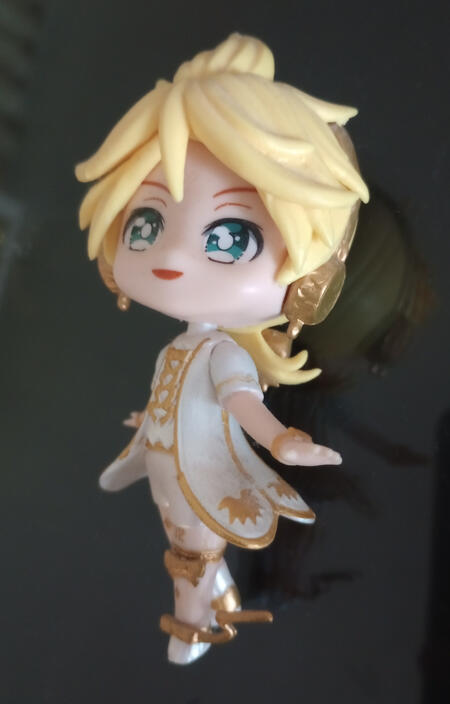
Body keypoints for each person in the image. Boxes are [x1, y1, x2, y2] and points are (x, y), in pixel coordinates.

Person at [75, 33, 368, 664]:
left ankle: (191, 628)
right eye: (147, 224)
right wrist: (149, 419)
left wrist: (281, 441)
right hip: (169, 468)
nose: (174, 256)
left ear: (309, 287)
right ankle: (221, 595)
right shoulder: (181, 349)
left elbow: (240, 404)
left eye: (230, 237)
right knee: (187, 545)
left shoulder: (223, 357)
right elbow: (178, 400)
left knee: (188, 555)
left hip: (199, 481)